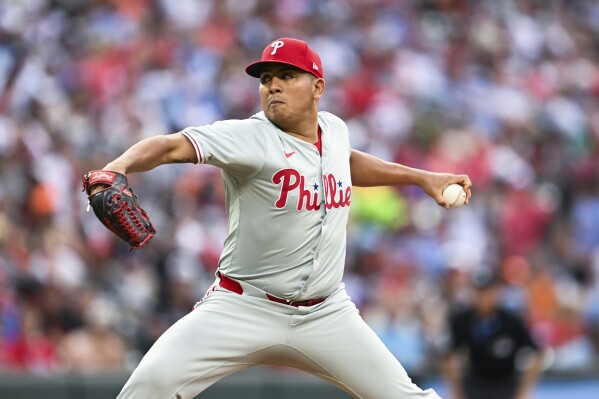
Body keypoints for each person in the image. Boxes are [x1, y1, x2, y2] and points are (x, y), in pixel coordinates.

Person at [87, 37, 472, 399]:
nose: (273, 86)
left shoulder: (334, 130)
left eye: (287, 76)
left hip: (326, 313)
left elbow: (346, 162)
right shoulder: (248, 137)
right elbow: (171, 146)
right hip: (243, 307)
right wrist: (116, 167)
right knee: (147, 388)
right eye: (267, 79)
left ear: (317, 87)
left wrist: (422, 177)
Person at [441, 267, 545, 399]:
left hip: (507, 387)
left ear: (497, 291)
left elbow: (538, 354)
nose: (484, 297)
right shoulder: (462, 320)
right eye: (480, 291)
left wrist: (524, 391)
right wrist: (456, 390)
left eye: (488, 291)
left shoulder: (511, 321)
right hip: (474, 386)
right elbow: (447, 357)